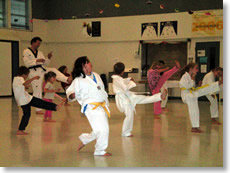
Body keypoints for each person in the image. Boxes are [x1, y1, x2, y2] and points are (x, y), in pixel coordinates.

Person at [66, 56, 112, 156]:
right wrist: (72, 95)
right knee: (103, 129)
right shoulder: (78, 80)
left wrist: (106, 101)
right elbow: (69, 92)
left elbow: (102, 89)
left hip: (102, 105)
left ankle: (85, 139)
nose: (90, 64)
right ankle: (100, 150)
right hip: (91, 107)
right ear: (83, 66)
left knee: (99, 128)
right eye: (88, 62)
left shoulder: (96, 75)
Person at [112, 62, 167, 137]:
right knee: (129, 115)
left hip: (127, 96)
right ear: (122, 71)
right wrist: (131, 82)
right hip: (123, 99)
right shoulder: (117, 79)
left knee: (143, 98)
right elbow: (124, 88)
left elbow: (123, 82)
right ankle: (125, 132)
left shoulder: (118, 78)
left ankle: (159, 96)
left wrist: (128, 79)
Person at [23, 37, 72, 114]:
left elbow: (45, 63)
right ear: (33, 42)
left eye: (40, 43)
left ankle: (66, 79)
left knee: (53, 70)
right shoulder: (26, 51)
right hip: (34, 72)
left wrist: (48, 58)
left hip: (42, 69)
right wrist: (36, 61)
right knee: (37, 90)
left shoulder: (40, 53)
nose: (39, 45)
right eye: (38, 43)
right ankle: (38, 109)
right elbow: (26, 63)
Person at [13, 66, 64, 135]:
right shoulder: (19, 78)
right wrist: (33, 78)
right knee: (40, 103)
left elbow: (21, 86)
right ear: (24, 74)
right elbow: (24, 83)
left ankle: (20, 129)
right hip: (25, 99)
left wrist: (25, 87)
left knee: (28, 114)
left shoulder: (16, 79)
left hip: (25, 99)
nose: (26, 77)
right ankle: (55, 107)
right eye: (27, 75)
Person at [179, 63, 223, 133]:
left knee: (205, 89)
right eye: (196, 68)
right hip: (187, 95)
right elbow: (186, 86)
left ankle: (217, 84)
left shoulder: (189, 76)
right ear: (191, 69)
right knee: (194, 109)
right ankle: (194, 127)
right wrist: (193, 78)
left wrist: (196, 85)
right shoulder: (185, 76)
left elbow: (190, 85)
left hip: (191, 93)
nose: (197, 70)